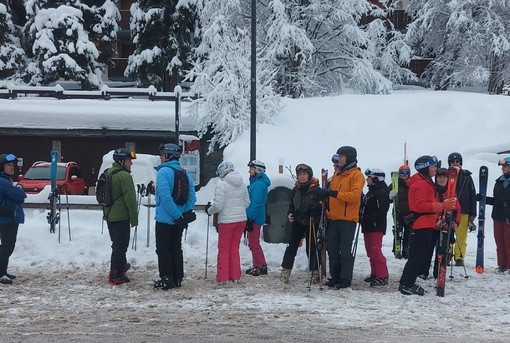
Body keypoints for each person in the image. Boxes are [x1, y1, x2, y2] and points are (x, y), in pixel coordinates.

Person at [398, 155, 457, 295]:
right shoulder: (421, 184)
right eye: (433, 166)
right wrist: (442, 206)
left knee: (421, 255)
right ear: (426, 167)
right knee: (419, 256)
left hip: (427, 223)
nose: (435, 169)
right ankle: (406, 284)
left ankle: (407, 283)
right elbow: (420, 206)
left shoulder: (426, 182)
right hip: (422, 223)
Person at [316, 146, 365, 289]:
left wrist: (332, 193)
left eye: (342, 156)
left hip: (348, 219)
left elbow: (354, 196)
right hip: (332, 217)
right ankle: (335, 277)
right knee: (332, 250)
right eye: (338, 156)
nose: (339, 159)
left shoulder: (356, 175)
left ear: (349, 157)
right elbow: (332, 196)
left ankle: (345, 279)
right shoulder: (337, 175)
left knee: (345, 251)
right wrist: (324, 197)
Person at [154, 143, 196, 290]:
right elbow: (192, 198)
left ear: (168, 156)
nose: (160, 157)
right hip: (179, 221)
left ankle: (167, 278)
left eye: (162, 154)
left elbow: (165, 197)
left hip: (165, 219)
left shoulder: (163, 172)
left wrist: (176, 215)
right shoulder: (185, 173)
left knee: (163, 249)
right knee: (176, 248)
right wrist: (183, 215)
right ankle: (178, 278)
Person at [205, 161, 250, 284]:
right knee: (234, 248)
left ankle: (223, 277)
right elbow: (247, 203)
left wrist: (209, 210)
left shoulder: (222, 184)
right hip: (241, 220)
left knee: (224, 248)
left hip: (226, 221)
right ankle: (235, 276)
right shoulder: (243, 184)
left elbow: (218, 205)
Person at [281, 164, 322, 284]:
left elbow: (322, 206)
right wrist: (290, 213)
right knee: (291, 247)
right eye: (300, 175)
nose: (302, 177)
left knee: (312, 248)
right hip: (298, 221)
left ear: (309, 175)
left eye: (304, 174)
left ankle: (314, 272)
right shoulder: (296, 189)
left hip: (311, 222)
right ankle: (285, 271)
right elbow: (292, 206)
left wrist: (316, 209)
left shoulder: (316, 189)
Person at [104, 148, 138, 285]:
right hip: (121, 217)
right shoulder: (124, 176)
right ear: (122, 161)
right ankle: (115, 274)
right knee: (120, 246)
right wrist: (134, 218)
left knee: (117, 244)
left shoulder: (108, 172)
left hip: (109, 215)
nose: (131, 163)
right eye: (129, 161)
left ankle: (121, 266)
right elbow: (130, 199)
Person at [0, 153, 26, 285]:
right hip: (6, 218)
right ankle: (1, 273)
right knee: (7, 247)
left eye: (12, 165)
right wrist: (19, 189)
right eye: (8, 165)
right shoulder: (2, 181)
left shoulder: (6, 180)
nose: (12, 167)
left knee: (7, 246)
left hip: (9, 218)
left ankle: (3, 270)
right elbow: (20, 196)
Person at [361, 168, 390, 287]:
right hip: (368, 226)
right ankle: (375, 273)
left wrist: (367, 218)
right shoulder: (371, 192)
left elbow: (382, 211)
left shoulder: (381, 192)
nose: (367, 179)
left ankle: (382, 276)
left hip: (376, 226)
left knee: (375, 250)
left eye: (369, 177)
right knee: (370, 251)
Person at [448, 152, 477, 266]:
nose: (455, 164)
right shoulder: (446, 175)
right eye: (453, 162)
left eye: (457, 161)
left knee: (461, 235)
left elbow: (472, 195)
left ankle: (459, 256)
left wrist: (472, 213)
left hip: (464, 210)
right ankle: (447, 254)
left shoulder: (467, 177)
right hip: (450, 209)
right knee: (448, 233)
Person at [245, 160, 271, 276]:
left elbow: (256, 203)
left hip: (255, 217)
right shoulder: (257, 183)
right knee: (253, 242)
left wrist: (250, 218)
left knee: (254, 242)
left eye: (251, 168)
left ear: (257, 170)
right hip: (256, 216)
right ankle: (258, 265)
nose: (249, 171)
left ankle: (260, 266)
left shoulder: (258, 185)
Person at [486, 157, 510, 273]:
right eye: (502, 166)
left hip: (508, 217)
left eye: (505, 166)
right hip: (498, 216)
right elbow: (496, 200)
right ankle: (502, 264)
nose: (503, 168)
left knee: (508, 242)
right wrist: (484, 199)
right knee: (499, 241)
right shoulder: (499, 182)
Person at [389, 164, 412, 259]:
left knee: (409, 231)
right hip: (398, 210)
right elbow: (387, 197)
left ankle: (406, 249)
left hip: (409, 212)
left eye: (406, 172)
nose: (404, 174)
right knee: (398, 230)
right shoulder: (395, 184)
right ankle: (397, 248)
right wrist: (390, 196)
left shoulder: (412, 184)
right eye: (402, 172)